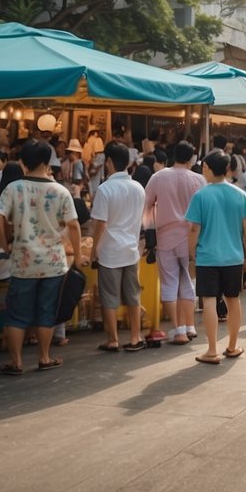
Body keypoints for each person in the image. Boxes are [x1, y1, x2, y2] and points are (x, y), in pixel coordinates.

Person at [0, 139, 80, 376]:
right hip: (53, 263)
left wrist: (5, 245)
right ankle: (44, 357)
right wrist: (78, 255)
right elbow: (74, 226)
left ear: (23, 162)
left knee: (17, 314)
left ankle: (16, 362)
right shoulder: (60, 191)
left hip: (23, 261)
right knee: (46, 311)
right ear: (47, 162)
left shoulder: (13, 188)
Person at [185, 150, 246, 363]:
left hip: (208, 256)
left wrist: (191, 255)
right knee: (233, 300)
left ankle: (212, 349)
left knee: (209, 301)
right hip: (234, 256)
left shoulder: (201, 195)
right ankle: (232, 346)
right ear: (227, 169)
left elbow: (194, 229)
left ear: (207, 168)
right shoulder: (239, 194)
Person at [143, 140, 205, 344]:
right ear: (191, 157)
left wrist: (149, 230)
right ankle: (190, 326)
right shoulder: (198, 179)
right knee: (188, 281)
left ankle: (178, 330)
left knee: (169, 283)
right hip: (190, 238)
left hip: (165, 236)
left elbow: (147, 206)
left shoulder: (158, 177)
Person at [90, 141, 147, 352]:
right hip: (131, 249)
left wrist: (94, 249)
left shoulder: (105, 189)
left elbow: (100, 225)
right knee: (133, 296)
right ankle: (135, 336)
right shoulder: (138, 187)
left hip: (109, 251)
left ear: (109, 161)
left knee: (109, 298)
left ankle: (113, 339)